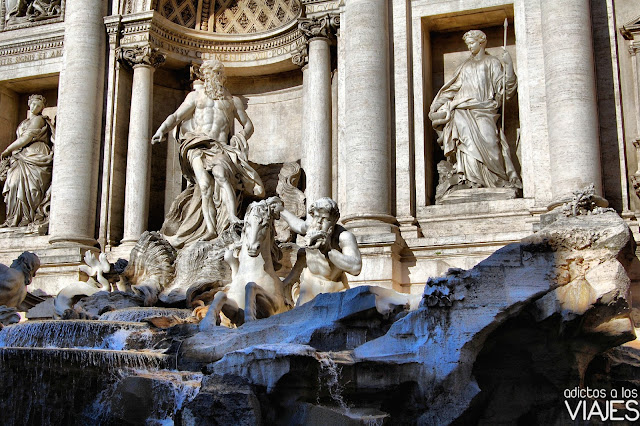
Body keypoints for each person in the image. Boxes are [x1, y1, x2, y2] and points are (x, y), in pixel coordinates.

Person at [152, 59, 265, 248]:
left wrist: (240, 137)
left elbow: (248, 126)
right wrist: (161, 130)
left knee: (221, 176)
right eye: (211, 74)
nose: (214, 78)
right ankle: (211, 229)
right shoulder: (196, 96)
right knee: (204, 185)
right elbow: (177, 116)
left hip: (219, 147)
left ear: (222, 77)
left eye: (217, 74)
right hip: (197, 145)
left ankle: (232, 218)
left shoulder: (231, 100)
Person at [429, 29, 521, 191]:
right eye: (468, 44)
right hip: (462, 110)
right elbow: (452, 89)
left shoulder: (492, 62)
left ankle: (495, 179)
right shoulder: (465, 66)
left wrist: (509, 65)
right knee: (466, 145)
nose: (470, 47)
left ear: (481, 42)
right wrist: (437, 104)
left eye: (472, 43)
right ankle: (470, 179)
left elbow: (505, 90)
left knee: (491, 141)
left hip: (485, 109)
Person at [278, 197, 362, 306]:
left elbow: (356, 267)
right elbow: (297, 225)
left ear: (334, 220)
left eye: (324, 218)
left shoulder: (343, 237)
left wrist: (328, 250)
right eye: (316, 217)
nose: (319, 222)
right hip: (308, 290)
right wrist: (280, 210)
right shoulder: (311, 227)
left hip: (335, 293)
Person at [0, 94, 53, 228]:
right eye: (33, 104)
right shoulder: (23, 123)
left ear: (42, 108)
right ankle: (13, 217)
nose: (35, 107)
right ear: (29, 104)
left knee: (32, 187)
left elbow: (26, 138)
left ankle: (27, 217)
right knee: (13, 184)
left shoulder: (39, 120)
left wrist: (7, 150)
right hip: (21, 155)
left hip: (36, 153)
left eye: (39, 106)